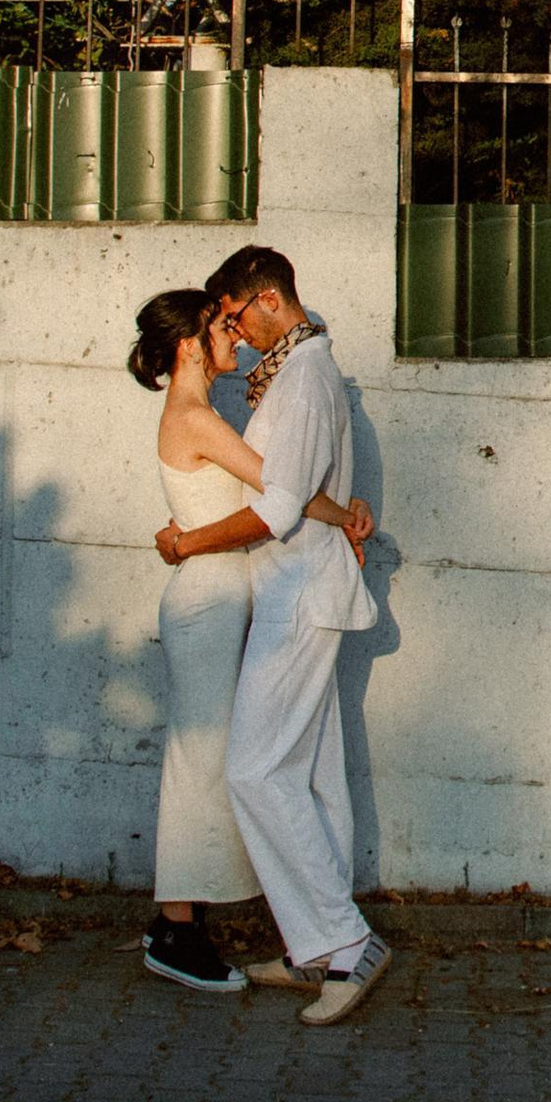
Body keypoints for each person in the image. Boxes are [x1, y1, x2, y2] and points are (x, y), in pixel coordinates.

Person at [128, 289, 370, 995]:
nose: (231, 335)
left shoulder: (201, 415)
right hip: (205, 601)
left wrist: (344, 519)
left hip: (217, 598)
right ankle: (175, 932)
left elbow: (283, 492)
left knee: (214, 759)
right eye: (218, 327)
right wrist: (335, 516)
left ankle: (181, 925)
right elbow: (281, 492)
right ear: (187, 345)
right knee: (199, 760)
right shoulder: (196, 417)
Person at [191, 244, 392, 1025]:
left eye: (237, 316)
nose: (234, 335)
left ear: (270, 298)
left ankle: (345, 941)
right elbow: (305, 493)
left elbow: (277, 508)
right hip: (302, 588)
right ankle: (319, 948)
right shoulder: (303, 369)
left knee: (254, 771)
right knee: (309, 775)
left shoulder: (305, 379)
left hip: (300, 597)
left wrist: (187, 543)